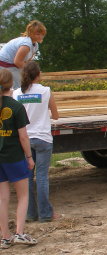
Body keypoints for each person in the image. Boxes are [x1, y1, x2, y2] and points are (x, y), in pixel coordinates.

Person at [12, 61, 60, 223]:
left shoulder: (17, 93)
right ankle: (45, 214)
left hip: (24, 139)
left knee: (27, 178)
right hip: (43, 139)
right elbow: (55, 115)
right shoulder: (45, 91)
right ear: (38, 75)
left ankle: (30, 214)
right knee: (42, 177)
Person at [0, 70, 38, 249]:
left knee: (2, 198)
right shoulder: (16, 107)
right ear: (11, 84)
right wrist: (29, 157)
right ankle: (19, 233)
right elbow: (23, 137)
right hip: (14, 157)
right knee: (23, 196)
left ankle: (5, 237)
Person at [0, 20, 46, 90]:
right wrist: (32, 72)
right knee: (17, 88)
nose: (41, 37)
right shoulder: (26, 44)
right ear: (31, 34)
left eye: (42, 34)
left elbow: (27, 62)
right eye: (38, 34)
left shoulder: (35, 45)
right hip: (5, 65)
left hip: (13, 65)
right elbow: (17, 62)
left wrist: (33, 70)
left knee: (23, 83)